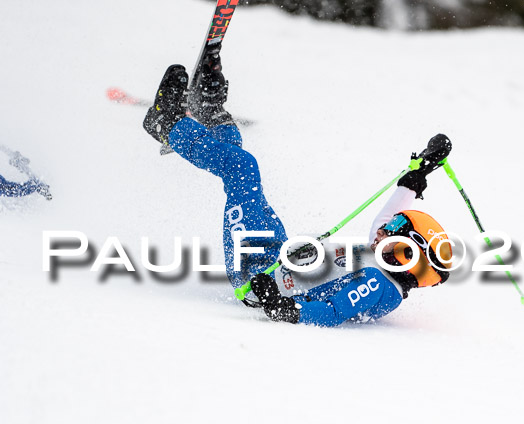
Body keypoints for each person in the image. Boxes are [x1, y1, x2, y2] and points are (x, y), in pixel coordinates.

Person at [143, 59, 453, 326]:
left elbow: (332, 312)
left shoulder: (376, 284)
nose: (387, 226)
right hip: (276, 254)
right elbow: (387, 213)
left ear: (404, 256)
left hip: (255, 275)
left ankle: (167, 125)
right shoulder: (381, 256)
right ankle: (213, 114)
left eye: (397, 230)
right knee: (241, 176)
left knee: (241, 169)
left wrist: (281, 306)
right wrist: (420, 173)